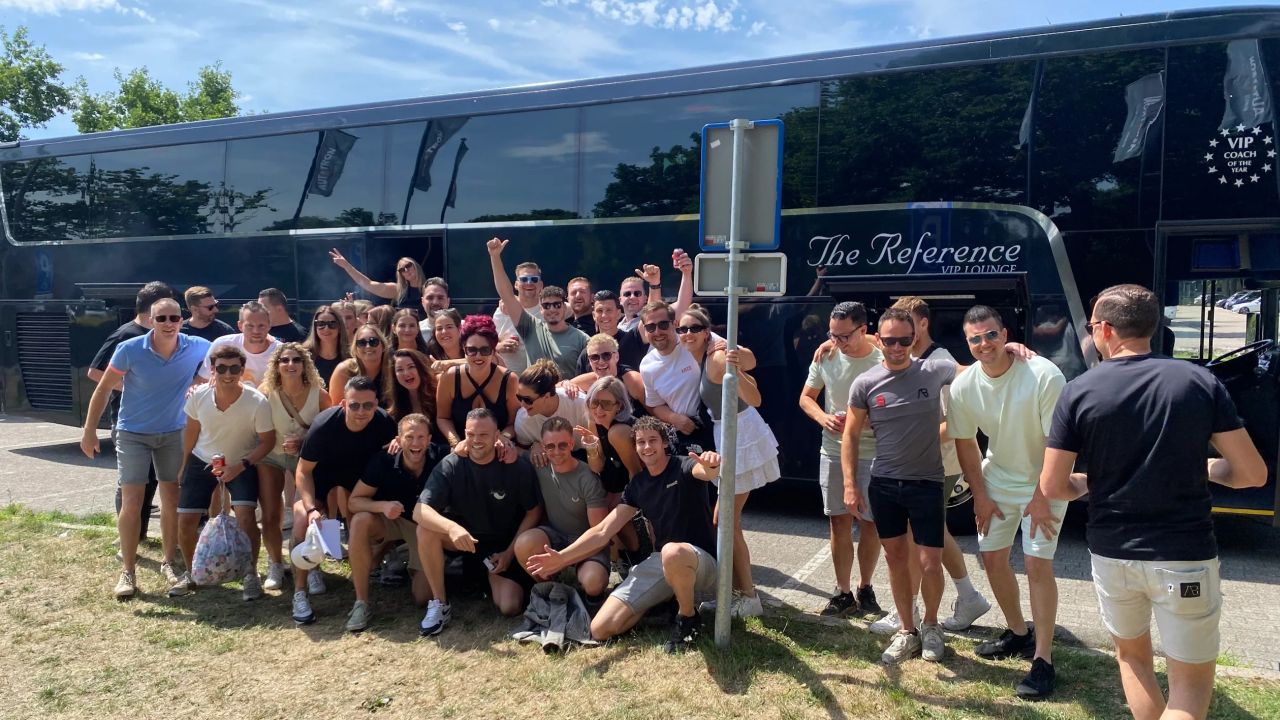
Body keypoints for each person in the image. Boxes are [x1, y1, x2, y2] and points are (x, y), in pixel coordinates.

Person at [1041, 284, 1266, 720]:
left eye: (1091, 327)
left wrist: (1089, 482)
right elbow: (1251, 474)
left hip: (1113, 553)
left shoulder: (1079, 390)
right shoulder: (1199, 382)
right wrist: (1203, 466)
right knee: (1190, 686)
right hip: (1185, 554)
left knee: (1132, 659)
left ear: (1106, 329)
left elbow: (1053, 486)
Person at [947, 305, 1066, 700]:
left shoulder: (1044, 375)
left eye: (991, 335)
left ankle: (1043, 659)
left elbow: (1057, 443)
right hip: (996, 479)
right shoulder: (964, 386)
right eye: (975, 339)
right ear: (968, 344)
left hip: (1044, 482)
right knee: (992, 559)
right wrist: (979, 495)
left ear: (1005, 334)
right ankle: (1018, 632)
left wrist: (1041, 496)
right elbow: (966, 442)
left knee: (1036, 565)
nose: (984, 344)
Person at [526, 416, 723, 653]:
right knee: (600, 629)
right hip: (663, 561)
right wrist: (562, 558)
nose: (647, 447)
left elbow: (705, 471)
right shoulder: (638, 485)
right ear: (635, 447)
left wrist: (711, 465)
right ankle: (661, 602)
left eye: (653, 440)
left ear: (664, 443)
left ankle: (687, 618)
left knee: (673, 551)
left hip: (701, 562)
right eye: (641, 442)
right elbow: (602, 531)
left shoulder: (684, 466)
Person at [870, 296, 991, 636]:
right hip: (920, 466)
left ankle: (907, 611)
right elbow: (869, 340)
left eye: (907, 325)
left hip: (937, 465)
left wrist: (907, 438)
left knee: (916, 539)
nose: (899, 337)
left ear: (923, 324)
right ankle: (968, 597)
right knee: (934, 534)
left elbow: (954, 424)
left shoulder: (940, 362)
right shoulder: (911, 358)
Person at [842, 307, 954, 665]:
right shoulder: (865, 383)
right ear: (879, 338)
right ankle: (907, 630)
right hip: (885, 484)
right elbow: (850, 435)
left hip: (927, 482)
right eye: (889, 340)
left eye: (904, 340)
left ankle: (932, 625)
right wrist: (850, 484)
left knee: (930, 563)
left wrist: (1012, 349)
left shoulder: (934, 370)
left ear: (914, 338)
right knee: (895, 560)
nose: (896, 347)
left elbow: (981, 369)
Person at [80, 296, 211, 599]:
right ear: (151, 321)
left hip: (174, 432)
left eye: (174, 318)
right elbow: (103, 388)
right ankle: (128, 571)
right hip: (133, 433)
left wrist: (200, 382)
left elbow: (228, 355)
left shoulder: (197, 346)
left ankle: (169, 561)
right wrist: (89, 431)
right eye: (161, 318)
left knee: (171, 498)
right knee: (132, 501)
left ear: (182, 320)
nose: (168, 323)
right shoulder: (130, 349)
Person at [679, 305, 775, 618]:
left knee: (726, 522)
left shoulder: (718, 357)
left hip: (741, 434)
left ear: (706, 332)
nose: (687, 334)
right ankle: (734, 593)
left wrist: (734, 359)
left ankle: (748, 598)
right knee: (723, 521)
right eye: (682, 329)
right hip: (728, 431)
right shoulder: (705, 356)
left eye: (694, 328)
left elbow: (756, 395)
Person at [413, 408, 542, 635]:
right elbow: (419, 511)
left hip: (500, 546)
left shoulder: (516, 465)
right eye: (471, 434)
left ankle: (482, 579)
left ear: (497, 435)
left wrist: (509, 553)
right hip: (464, 541)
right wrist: (452, 528)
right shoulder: (451, 464)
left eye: (483, 435)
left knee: (510, 606)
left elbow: (534, 512)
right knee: (421, 584)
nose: (476, 440)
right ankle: (440, 603)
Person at [290, 376, 398, 625]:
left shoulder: (384, 423)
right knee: (301, 520)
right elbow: (303, 472)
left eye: (368, 405)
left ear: (376, 404)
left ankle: (370, 573)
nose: (361, 411)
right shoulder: (324, 425)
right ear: (343, 404)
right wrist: (311, 509)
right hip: (322, 476)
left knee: (366, 522)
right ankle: (300, 592)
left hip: (360, 480)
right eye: (354, 405)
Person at [799, 301, 884, 618]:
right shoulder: (827, 355)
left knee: (871, 522)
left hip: (874, 451)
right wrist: (822, 418)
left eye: (844, 335)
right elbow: (806, 398)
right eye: (832, 335)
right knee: (838, 521)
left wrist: (872, 419)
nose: (837, 341)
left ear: (864, 330)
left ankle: (865, 587)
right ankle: (843, 591)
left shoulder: (883, 357)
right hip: (834, 449)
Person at [171, 344, 275, 599]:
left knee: (246, 518)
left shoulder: (257, 401)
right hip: (202, 461)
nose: (228, 374)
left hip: (241, 462)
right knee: (185, 520)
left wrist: (241, 466)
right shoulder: (198, 396)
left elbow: (268, 441)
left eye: (234, 368)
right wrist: (183, 464)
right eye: (221, 368)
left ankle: (251, 574)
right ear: (212, 369)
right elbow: (191, 432)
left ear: (242, 370)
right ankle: (193, 573)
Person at [89, 281, 176, 547]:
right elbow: (95, 372)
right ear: (153, 309)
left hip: (162, 424)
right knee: (131, 484)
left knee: (154, 482)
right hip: (128, 421)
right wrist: (136, 387)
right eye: (163, 312)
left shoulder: (162, 337)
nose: (169, 319)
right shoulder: (126, 335)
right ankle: (128, 537)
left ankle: (140, 534)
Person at [345, 413, 443, 632]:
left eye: (421, 437)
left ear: (429, 439)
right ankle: (361, 602)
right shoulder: (383, 460)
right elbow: (354, 502)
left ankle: (409, 557)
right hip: (392, 518)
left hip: (423, 528)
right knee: (360, 521)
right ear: (398, 440)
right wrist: (382, 506)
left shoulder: (441, 456)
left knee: (422, 597)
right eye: (409, 437)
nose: (416, 443)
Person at [257, 342, 334, 591]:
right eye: (285, 360)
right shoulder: (266, 392)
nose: (290, 364)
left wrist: (304, 440)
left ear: (304, 365)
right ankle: (276, 564)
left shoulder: (319, 394)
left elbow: (329, 430)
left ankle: (312, 567)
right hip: (272, 455)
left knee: (308, 512)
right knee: (270, 513)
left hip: (306, 459)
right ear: (277, 365)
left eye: (296, 360)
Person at [513, 417, 610, 602]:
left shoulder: (587, 478)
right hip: (555, 536)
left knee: (594, 582)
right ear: (543, 447)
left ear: (572, 444)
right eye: (550, 446)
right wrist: (530, 445)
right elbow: (511, 450)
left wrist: (564, 558)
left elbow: (598, 533)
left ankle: (590, 600)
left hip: (586, 541)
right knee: (524, 544)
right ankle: (552, 589)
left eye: (562, 445)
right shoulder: (540, 464)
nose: (556, 452)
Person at [487, 237, 589, 379]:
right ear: (541, 309)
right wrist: (495, 256)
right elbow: (506, 294)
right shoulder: (530, 326)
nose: (552, 309)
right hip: (518, 384)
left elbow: (589, 306)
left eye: (557, 305)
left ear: (564, 308)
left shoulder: (581, 337)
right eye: (546, 305)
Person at [639, 301, 718, 454]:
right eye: (650, 327)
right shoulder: (647, 365)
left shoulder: (693, 338)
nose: (657, 332)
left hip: (719, 423)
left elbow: (740, 357)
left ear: (674, 324)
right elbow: (655, 405)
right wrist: (674, 418)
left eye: (663, 324)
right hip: (689, 434)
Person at [435, 315, 520, 451]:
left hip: (497, 449)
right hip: (461, 449)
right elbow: (443, 418)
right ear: (464, 350)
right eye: (472, 350)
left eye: (485, 350)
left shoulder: (510, 379)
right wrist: (455, 443)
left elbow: (513, 423)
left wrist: (502, 438)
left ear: (493, 351)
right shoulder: (449, 378)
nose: (478, 356)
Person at [512, 359, 591, 463]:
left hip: (586, 455)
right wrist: (532, 446)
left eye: (527, 400)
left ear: (546, 396)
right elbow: (520, 449)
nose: (522, 404)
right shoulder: (522, 419)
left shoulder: (579, 403)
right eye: (519, 397)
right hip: (551, 461)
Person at [199, 302, 281, 386]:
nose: (256, 331)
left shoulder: (280, 351)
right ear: (240, 326)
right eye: (250, 326)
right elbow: (201, 380)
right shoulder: (222, 344)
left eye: (261, 326)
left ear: (269, 325)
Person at [565, 333, 646, 415]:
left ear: (616, 356)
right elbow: (559, 387)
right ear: (589, 361)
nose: (601, 361)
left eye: (606, 355)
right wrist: (566, 384)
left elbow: (652, 410)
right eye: (594, 357)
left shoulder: (632, 380)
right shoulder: (591, 379)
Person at [491, 256, 543, 375]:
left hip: (537, 379)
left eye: (534, 279)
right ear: (516, 284)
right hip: (506, 377)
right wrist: (499, 346)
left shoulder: (549, 309)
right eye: (524, 279)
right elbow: (487, 342)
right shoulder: (502, 311)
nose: (529, 283)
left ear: (540, 284)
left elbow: (575, 307)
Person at [330, 249, 427, 311]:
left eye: (408, 266)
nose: (406, 270)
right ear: (401, 275)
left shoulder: (430, 287)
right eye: (402, 270)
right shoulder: (398, 290)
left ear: (416, 266)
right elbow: (368, 284)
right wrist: (346, 266)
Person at [329, 324, 393, 407]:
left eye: (373, 342)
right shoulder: (344, 371)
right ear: (356, 349)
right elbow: (336, 408)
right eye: (362, 343)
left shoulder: (392, 369)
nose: (368, 346)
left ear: (383, 346)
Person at [300, 304, 350, 385]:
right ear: (315, 327)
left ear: (340, 327)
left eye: (332, 324)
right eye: (321, 324)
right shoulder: (304, 355)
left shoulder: (350, 355)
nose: (326, 328)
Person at [390, 349, 438, 424]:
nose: (406, 373)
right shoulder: (395, 410)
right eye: (400, 370)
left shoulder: (438, 395)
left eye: (411, 367)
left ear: (421, 368)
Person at [417, 277, 452, 344]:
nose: (435, 302)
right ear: (422, 302)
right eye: (430, 298)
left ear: (448, 301)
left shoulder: (462, 329)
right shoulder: (416, 331)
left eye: (440, 298)